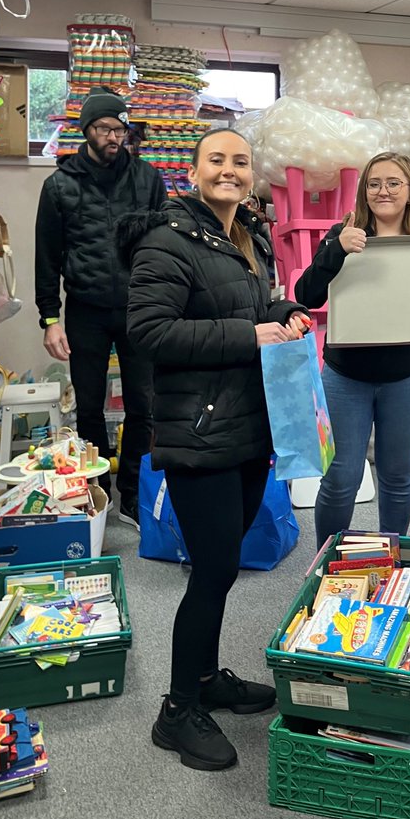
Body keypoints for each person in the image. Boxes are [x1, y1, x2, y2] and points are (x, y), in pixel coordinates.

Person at [118, 128, 308, 771]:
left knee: (222, 563)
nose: (230, 171)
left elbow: (245, 304)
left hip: (248, 426)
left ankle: (204, 680)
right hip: (198, 429)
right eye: (217, 161)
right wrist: (249, 333)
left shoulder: (245, 238)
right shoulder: (167, 240)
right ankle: (176, 711)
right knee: (214, 570)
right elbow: (150, 331)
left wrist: (281, 309)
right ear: (193, 172)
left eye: (240, 162)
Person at [294, 153, 410, 545]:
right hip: (347, 378)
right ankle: (329, 558)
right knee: (340, 477)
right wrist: (336, 250)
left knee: (396, 476)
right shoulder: (347, 231)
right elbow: (304, 294)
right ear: (364, 191)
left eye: (394, 182)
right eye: (374, 183)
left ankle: (391, 557)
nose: (383, 191)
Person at [35, 87, 166, 528]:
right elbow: (46, 256)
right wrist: (50, 318)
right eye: (105, 128)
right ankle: (97, 492)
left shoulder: (147, 179)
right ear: (87, 130)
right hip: (86, 309)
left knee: (143, 405)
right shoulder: (60, 185)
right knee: (88, 406)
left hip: (140, 308)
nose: (114, 137)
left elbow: (164, 246)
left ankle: (132, 493)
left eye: (120, 129)